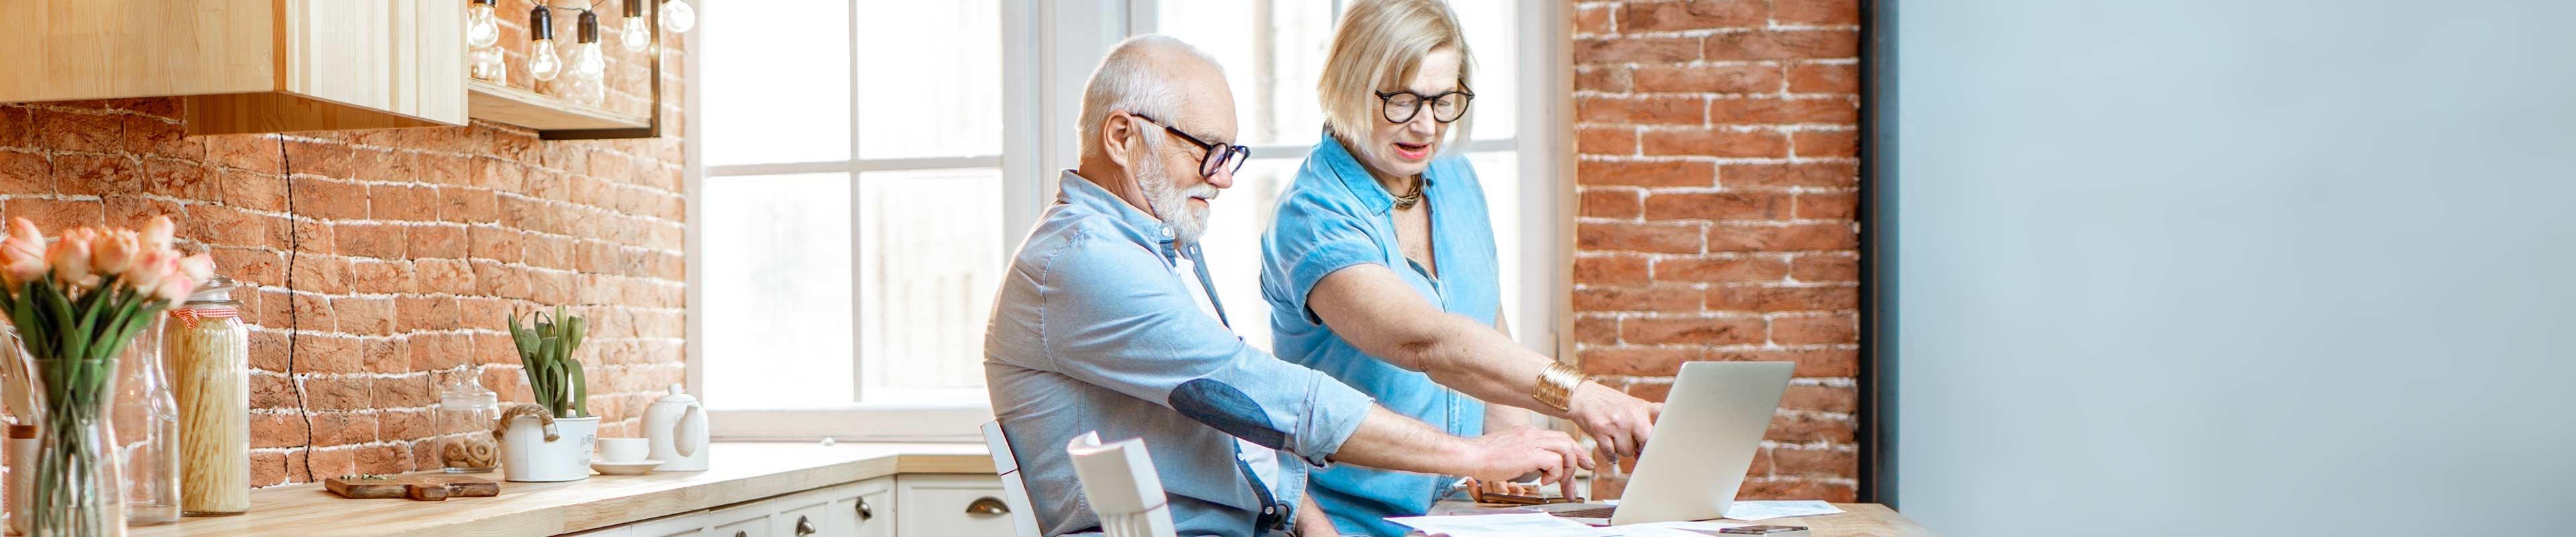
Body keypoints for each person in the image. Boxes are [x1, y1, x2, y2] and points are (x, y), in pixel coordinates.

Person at [985, 35, 1593, 537]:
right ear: (1122, 137)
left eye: (1230, 154)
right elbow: (1261, 392)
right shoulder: (1082, 263)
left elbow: (1234, 423)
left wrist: (1310, 523)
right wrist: (1474, 454)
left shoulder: (1150, 248)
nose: (1222, 180)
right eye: (1207, 151)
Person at [1259, 1, 1665, 534]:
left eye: (1444, 100)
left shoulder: (1452, 176)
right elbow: (1428, 342)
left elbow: (1483, 319)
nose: (1426, 126)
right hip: (1347, 523)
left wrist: (1513, 462)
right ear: (1348, 85)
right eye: (1402, 101)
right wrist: (1581, 395)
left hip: (1453, 516)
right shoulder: (1313, 218)